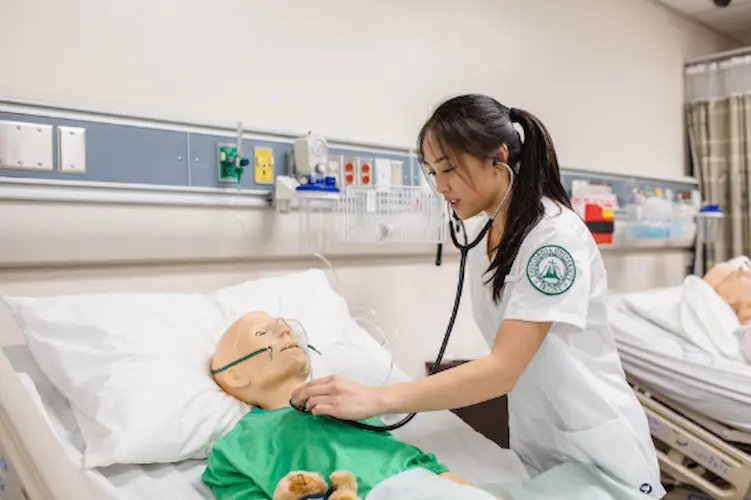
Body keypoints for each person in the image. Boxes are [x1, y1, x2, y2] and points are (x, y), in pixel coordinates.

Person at [290, 94, 666, 498]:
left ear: (498, 156)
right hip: (545, 449)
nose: (440, 186)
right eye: (433, 172)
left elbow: (503, 368)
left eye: (448, 168)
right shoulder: (487, 236)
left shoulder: (553, 240)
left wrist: (377, 399)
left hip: (600, 453)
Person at [202, 310, 486, 500]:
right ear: (235, 375)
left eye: (285, 328)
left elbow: (415, 462)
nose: (286, 332)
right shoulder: (234, 452)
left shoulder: (349, 400)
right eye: (262, 335)